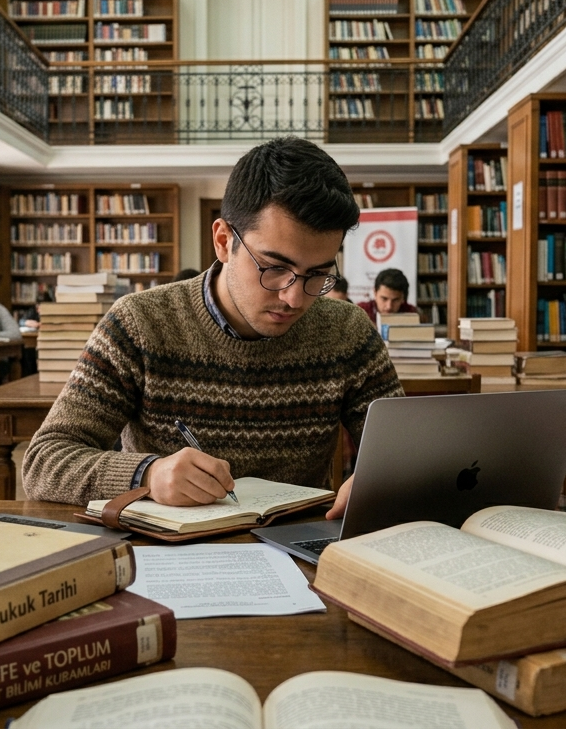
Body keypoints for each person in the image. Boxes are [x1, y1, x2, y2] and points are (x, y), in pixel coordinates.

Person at [23, 137, 403, 518]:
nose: (294, 298)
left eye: (317, 274)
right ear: (223, 241)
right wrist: (148, 474)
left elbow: (406, 450)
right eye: (275, 268)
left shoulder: (347, 331)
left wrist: (384, 476)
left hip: (302, 543)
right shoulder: (140, 323)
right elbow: (44, 461)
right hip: (174, 548)